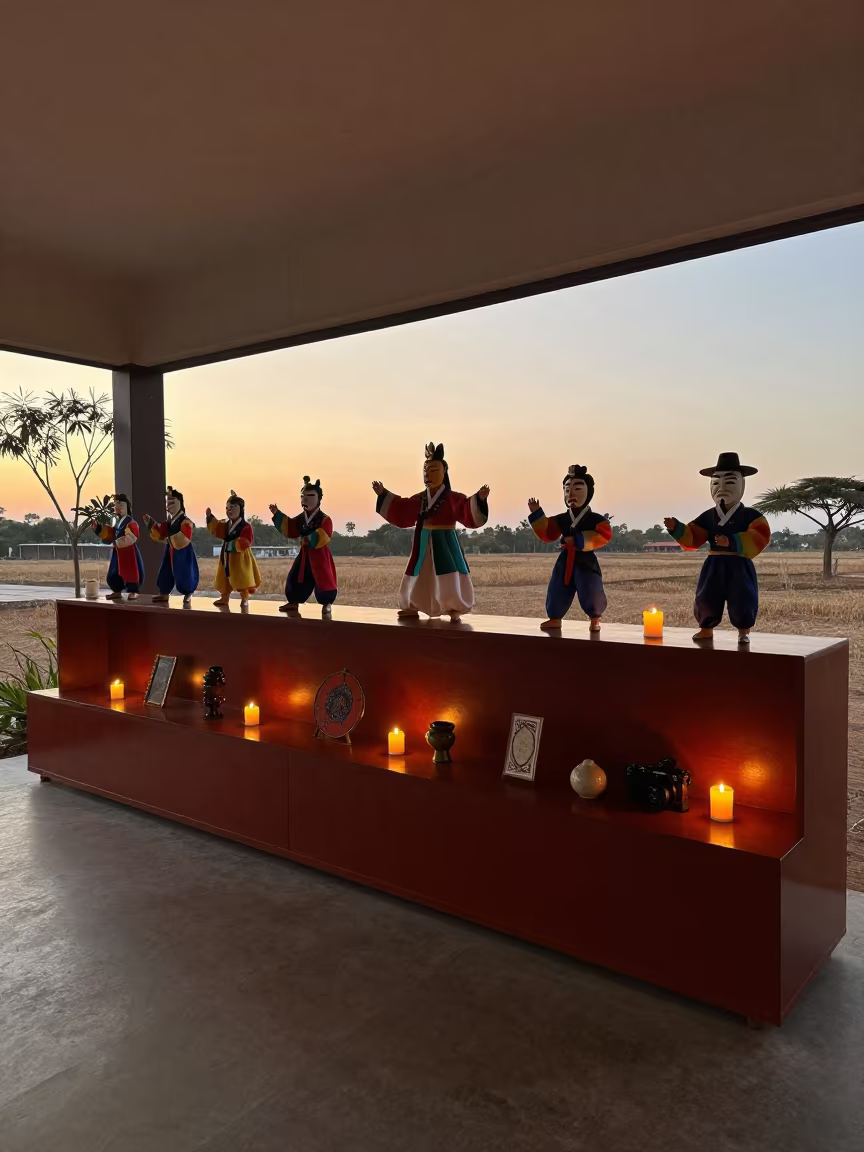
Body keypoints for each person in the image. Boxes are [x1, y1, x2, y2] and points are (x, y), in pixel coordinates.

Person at [372, 442, 489, 622]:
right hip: (424, 539)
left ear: (444, 473)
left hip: (445, 541)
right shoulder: (421, 498)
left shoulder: (453, 498)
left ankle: (453, 607)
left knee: (449, 574)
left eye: (434, 470)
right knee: (419, 574)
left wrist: (479, 499)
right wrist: (383, 494)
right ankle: (412, 605)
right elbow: (403, 508)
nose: (428, 475)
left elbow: (466, 509)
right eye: (425, 471)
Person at [664, 451, 771, 644]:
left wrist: (731, 541)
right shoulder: (708, 516)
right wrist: (677, 528)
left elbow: (761, 535)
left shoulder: (750, 515)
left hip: (740, 564)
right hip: (713, 564)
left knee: (743, 598)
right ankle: (706, 628)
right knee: (706, 596)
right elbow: (694, 536)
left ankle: (743, 631)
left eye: (729, 482)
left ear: (741, 484)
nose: (721, 488)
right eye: (715, 483)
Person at [528, 464, 612, 631]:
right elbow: (548, 533)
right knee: (557, 587)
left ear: (588, 493)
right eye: (567, 490)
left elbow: (604, 535)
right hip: (565, 560)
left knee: (591, 588)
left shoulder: (596, 519)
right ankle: (555, 617)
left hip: (585, 561)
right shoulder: (562, 518)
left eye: (577, 489)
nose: (571, 494)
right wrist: (537, 514)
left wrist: (580, 540)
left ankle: (595, 618)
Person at [269, 476, 338, 617]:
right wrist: (278, 515)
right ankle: (293, 601)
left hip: (320, 555)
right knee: (295, 576)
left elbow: (325, 532)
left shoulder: (324, 519)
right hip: (305, 554)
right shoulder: (301, 518)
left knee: (324, 580)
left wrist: (309, 539)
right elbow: (291, 527)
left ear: (319, 499)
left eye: (310, 496)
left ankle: (327, 603)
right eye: (303, 496)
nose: (306, 499)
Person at [143, 486, 199, 604]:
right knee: (165, 570)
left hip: (182, 550)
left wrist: (169, 540)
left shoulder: (185, 521)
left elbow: (185, 537)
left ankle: (188, 593)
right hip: (170, 548)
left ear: (180, 503)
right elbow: (161, 530)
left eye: (172, 502)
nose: (169, 505)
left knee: (185, 572)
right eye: (167, 502)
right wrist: (151, 524)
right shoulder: (170, 521)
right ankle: (164, 593)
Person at [205, 491, 260, 608]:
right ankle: (225, 597)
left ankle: (244, 598)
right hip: (226, 555)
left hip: (240, 556)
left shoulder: (246, 526)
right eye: (227, 508)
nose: (229, 510)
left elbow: (247, 540)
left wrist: (234, 544)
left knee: (242, 576)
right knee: (224, 576)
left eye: (232, 507)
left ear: (240, 509)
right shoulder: (226, 524)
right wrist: (210, 518)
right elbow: (217, 529)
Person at [93, 493, 144, 600]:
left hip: (129, 552)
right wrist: (99, 529)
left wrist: (118, 542)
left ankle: (133, 591)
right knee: (114, 572)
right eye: (116, 504)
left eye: (120, 504)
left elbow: (132, 537)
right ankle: (117, 590)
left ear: (127, 507)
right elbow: (111, 534)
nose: (118, 507)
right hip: (118, 552)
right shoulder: (117, 523)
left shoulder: (131, 522)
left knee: (131, 572)